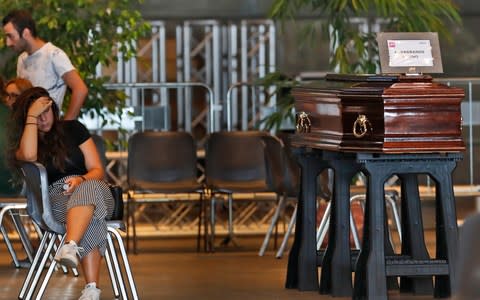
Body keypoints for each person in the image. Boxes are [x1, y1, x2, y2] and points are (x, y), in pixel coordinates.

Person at [7, 87, 113, 300]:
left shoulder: (74, 129)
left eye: (46, 111)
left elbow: (97, 170)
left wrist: (81, 179)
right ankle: (91, 290)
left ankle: (70, 246)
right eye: (37, 114)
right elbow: (28, 155)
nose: (43, 118)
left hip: (95, 188)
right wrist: (32, 116)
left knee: (90, 189)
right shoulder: (24, 144)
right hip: (56, 199)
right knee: (92, 217)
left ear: (54, 110)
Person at [2, 9, 88, 120]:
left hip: (49, 130)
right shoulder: (21, 59)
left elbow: (80, 89)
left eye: (11, 36)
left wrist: (66, 126)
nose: (8, 43)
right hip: (28, 127)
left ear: (26, 33)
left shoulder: (54, 54)